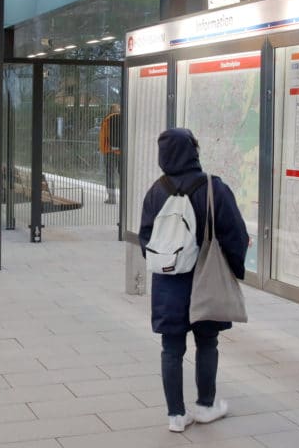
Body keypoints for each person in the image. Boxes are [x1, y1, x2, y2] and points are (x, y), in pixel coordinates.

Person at [138, 128, 249, 433]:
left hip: (168, 284)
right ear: (193, 151)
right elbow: (235, 235)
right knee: (207, 341)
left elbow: (146, 238)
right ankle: (205, 405)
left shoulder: (156, 191)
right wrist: (235, 270)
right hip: (205, 279)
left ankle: (175, 415)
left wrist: (169, 263)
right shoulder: (213, 188)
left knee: (171, 348)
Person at [99, 103, 122, 204]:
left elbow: (104, 136)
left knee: (110, 174)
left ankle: (112, 197)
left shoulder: (107, 119)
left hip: (109, 151)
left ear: (111, 109)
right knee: (123, 174)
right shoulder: (124, 119)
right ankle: (126, 196)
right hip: (122, 152)